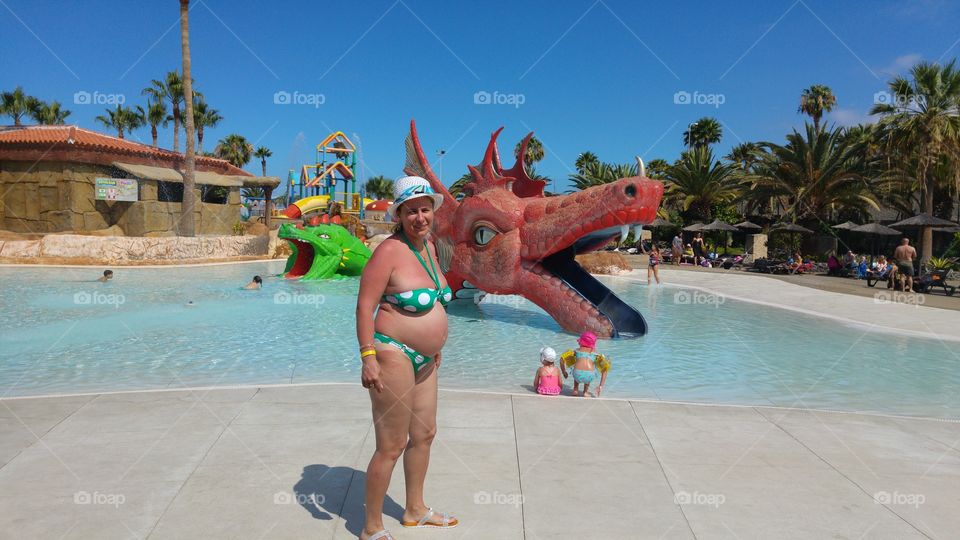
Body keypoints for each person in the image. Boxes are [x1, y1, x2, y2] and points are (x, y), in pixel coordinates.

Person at [355, 176, 458, 538]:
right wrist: (368, 356)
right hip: (392, 354)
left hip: (427, 360)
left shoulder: (430, 248)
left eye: (425, 209)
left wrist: (435, 345)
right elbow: (364, 306)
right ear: (399, 214)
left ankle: (414, 509)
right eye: (411, 211)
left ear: (433, 212)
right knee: (392, 444)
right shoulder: (388, 251)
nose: (419, 217)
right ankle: (371, 527)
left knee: (425, 434)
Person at [567, 332, 604, 397]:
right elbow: (604, 369)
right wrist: (600, 385)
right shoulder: (595, 353)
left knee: (576, 367)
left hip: (577, 374)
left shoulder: (577, 350)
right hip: (589, 376)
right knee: (591, 370)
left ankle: (575, 389)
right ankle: (585, 392)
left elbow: (567, 358)